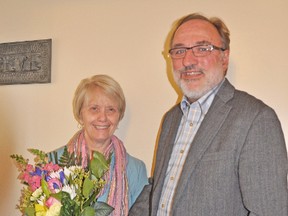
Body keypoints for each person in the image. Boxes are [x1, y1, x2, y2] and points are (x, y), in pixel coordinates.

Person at [129, 13, 288, 216]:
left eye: (202, 49)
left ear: (224, 57)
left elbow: (269, 211)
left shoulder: (255, 119)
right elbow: (159, 188)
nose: (188, 60)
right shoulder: (171, 119)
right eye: (179, 51)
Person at [49, 74, 148, 216]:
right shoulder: (52, 162)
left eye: (111, 110)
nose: (103, 117)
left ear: (119, 116)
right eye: (94, 108)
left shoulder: (136, 170)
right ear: (80, 114)